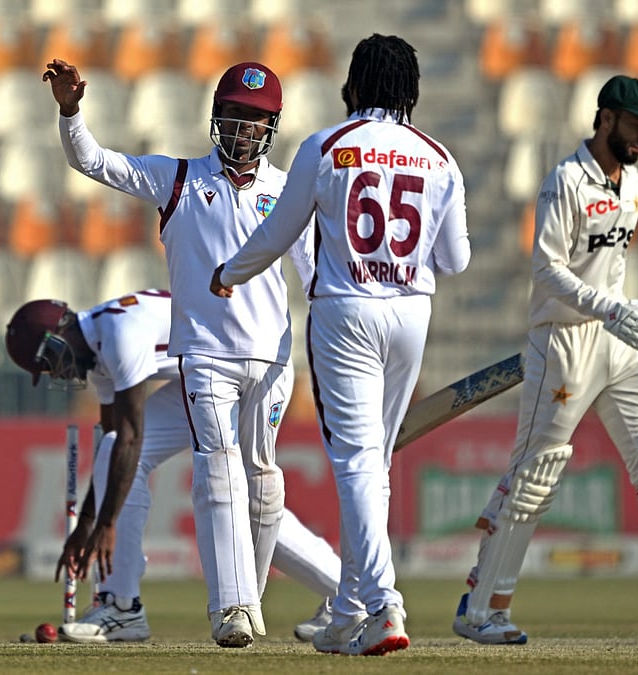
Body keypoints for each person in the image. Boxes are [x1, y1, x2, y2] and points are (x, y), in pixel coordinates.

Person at [449, 75, 638, 646]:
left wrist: (622, 311)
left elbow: (609, 269)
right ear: (606, 117)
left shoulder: (631, 182)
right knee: (535, 476)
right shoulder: (564, 181)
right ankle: (480, 609)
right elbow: (547, 270)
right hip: (563, 345)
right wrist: (609, 307)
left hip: (617, 339)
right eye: (636, 125)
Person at [211, 34, 471, 656]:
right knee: (373, 465)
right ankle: (349, 609)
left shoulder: (326, 146)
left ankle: (384, 605)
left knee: (356, 462)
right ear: (411, 90)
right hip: (411, 313)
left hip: (345, 311)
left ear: (353, 84)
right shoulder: (439, 157)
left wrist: (230, 273)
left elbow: (280, 231)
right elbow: (456, 260)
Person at [44, 57, 316, 647]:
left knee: (263, 479)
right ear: (216, 117)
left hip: (273, 358)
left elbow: (314, 275)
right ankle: (230, 609)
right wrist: (71, 114)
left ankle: (251, 599)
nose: (244, 127)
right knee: (217, 468)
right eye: (234, 114)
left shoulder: (288, 189)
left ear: (271, 126)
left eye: (256, 118)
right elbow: (94, 162)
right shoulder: (178, 179)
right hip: (207, 355)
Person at [5, 291, 341, 644]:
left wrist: (105, 524)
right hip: (210, 371)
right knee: (116, 450)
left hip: (254, 363)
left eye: (51, 359)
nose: (56, 371)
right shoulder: (98, 350)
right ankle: (122, 606)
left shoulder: (120, 334)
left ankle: (348, 592)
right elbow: (113, 450)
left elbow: (131, 441)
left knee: (244, 497)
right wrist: (86, 524)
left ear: (60, 334)